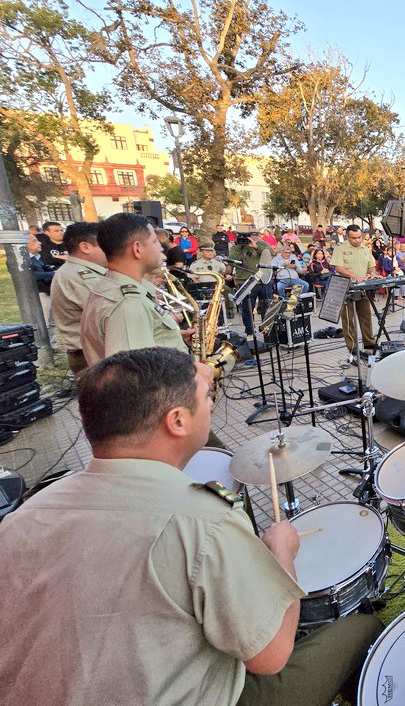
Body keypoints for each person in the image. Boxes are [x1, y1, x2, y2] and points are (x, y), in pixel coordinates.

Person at [0, 348, 381, 706]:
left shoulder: (22, 518)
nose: (211, 406)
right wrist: (283, 552)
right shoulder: (205, 518)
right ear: (178, 421)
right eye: (206, 399)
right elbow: (270, 655)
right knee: (363, 629)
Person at [80, 214, 192, 367]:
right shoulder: (128, 304)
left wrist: (171, 339)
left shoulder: (113, 287)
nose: (161, 248)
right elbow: (135, 378)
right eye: (154, 242)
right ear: (137, 249)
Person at [49, 222, 108, 374]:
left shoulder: (84, 272)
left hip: (94, 352)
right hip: (90, 355)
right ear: (85, 247)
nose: (111, 249)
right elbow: (109, 312)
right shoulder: (79, 276)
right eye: (105, 245)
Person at [331, 224, 377, 361]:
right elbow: (338, 267)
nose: (357, 240)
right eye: (353, 238)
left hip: (362, 287)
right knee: (348, 319)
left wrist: (372, 274)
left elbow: (371, 265)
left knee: (366, 316)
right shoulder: (340, 248)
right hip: (346, 286)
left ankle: (369, 342)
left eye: (359, 237)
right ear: (347, 236)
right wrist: (353, 276)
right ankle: (352, 347)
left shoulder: (365, 248)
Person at [229, 231, 275, 336]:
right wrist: (239, 246)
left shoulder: (261, 243)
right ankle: (249, 331)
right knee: (247, 308)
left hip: (263, 279)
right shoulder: (236, 246)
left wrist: (255, 246)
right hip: (245, 280)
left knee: (266, 306)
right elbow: (232, 259)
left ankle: (267, 331)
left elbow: (271, 253)